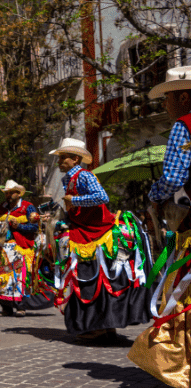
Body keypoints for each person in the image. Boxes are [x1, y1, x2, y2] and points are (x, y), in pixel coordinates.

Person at [50, 137, 152, 341]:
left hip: (100, 234)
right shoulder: (66, 180)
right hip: (82, 232)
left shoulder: (85, 176)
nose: (60, 162)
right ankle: (101, 325)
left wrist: (75, 200)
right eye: (60, 158)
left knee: (102, 277)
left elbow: (102, 197)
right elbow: (72, 206)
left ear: (75, 159)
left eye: (63, 158)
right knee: (90, 277)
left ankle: (101, 326)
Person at [129, 66, 191, 388]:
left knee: (182, 299)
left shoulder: (183, 127)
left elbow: (175, 177)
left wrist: (154, 196)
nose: (165, 106)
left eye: (167, 98)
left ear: (183, 96)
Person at [0, 180, 51, 316]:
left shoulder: (28, 207)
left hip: (20, 247)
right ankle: (6, 307)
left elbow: (35, 227)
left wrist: (19, 227)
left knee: (18, 277)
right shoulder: (2, 207)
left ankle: (20, 306)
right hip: (3, 247)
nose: (8, 195)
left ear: (18, 193)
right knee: (2, 275)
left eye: (11, 193)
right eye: (6, 193)